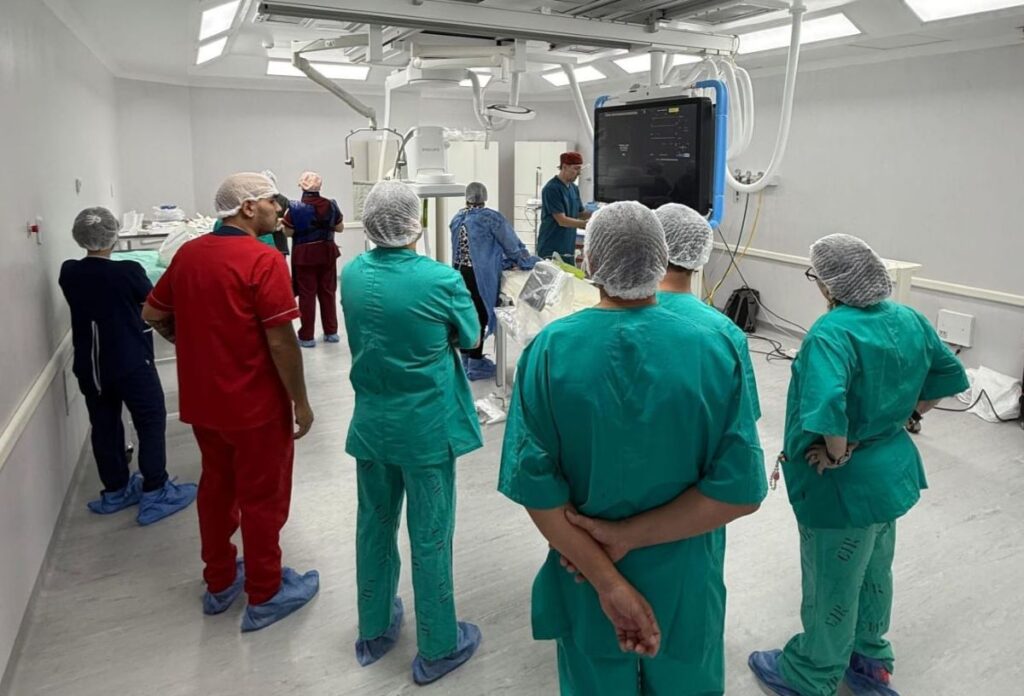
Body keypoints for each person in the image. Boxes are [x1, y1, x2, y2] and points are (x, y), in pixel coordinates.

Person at [498, 201, 765, 696]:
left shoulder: (550, 351)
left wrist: (610, 582)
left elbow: (537, 489)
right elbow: (740, 491)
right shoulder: (716, 345)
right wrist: (630, 535)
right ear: (662, 261)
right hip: (684, 571)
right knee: (687, 679)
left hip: (584, 568)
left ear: (589, 262)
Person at [747, 234, 969, 696]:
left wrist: (836, 452)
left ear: (829, 283)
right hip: (888, 475)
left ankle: (811, 672)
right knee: (874, 567)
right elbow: (949, 375)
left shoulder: (831, 333)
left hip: (841, 487)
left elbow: (828, 405)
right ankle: (869, 657)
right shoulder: (908, 318)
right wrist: (909, 415)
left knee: (833, 580)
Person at [142, 172, 319, 632]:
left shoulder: (189, 254)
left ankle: (220, 582)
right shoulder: (262, 259)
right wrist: (300, 401)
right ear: (247, 208)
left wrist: (193, 344)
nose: (279, 209)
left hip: (204, 402)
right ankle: (265, 593)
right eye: (271, 202)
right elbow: (281, 342)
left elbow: (153, 312)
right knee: (263, 498)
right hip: (254, 406)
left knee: (217, 489)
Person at [341, 180, 483, 685]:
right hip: (425, 430)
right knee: (430, 534)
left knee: (374, 525)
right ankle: (439, 645)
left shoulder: (351, 273)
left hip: (372, 425)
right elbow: (471, 336)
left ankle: (375, 628)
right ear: (415, 223)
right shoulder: (440, 279)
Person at [58, 207, 197, 525]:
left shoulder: (69, 272)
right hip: (131, 361)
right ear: (114, 235)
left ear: (78, 236)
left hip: (91, 366)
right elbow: (153, 305)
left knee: (104, 425)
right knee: (150, 421)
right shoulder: (128, 271)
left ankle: (116, 490)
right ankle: (155, 490)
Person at [655, 203, 761, 419]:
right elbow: (743, 419)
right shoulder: (727, 333)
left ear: (650, 247)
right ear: (700, 254)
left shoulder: (621, 316)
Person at [448, 181, 540, 381]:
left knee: (467, 315)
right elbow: (512, 246)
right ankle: (475, 363)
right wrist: (529, 262)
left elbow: (475, 248)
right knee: (480, 316)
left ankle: (466, 360)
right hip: (480, 275)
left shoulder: (457, 218)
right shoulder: (490, 218)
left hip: (460, 273)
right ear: (485, 197)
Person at [282, 170, 344, 348]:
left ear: (301, 186)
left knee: (307, 296)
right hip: (327, 253)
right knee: (328, 293)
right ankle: (331, 332)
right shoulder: (331, 205)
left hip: (305, 256)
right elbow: (339, 228)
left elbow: (288, 232)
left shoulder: (294, 208)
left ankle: (307, 336)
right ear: (320, 186)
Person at [537, 152, 590, 265]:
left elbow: (580, 213)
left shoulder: (573, 188)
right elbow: (562, 220)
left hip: (567, 246)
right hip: (551, 247)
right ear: (564, 167)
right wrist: (588, 224)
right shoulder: (552, 189)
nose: (579, 173)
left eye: (580, 169)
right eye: (576, 169)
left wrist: (601, 214)